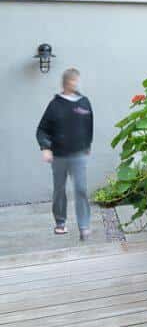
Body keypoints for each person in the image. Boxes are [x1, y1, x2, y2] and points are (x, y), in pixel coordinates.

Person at [36, 68, 94, 239]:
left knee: (81, 189)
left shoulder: (84, 102)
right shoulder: (55, 105)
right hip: (59, 155)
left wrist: (87, 144)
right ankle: (60, 222)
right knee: (59, 190)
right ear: (66, 83)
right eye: (72, 80)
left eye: (76, 80)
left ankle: (84, 226)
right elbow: (41, 129)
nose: (75, 83)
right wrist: (45, 148)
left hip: (79, 154)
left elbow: (89, 124)